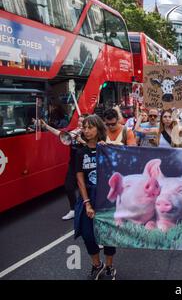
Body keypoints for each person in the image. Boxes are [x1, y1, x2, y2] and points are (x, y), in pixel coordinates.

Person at [75, 115, 116, 280]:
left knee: (108, 234)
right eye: (84, 127)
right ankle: (96, 265)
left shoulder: (107, 149)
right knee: (87, 235)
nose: (86, 130)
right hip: (88, 197)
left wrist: (107, 150)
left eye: (90, 127)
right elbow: (80, 179)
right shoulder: (80, 152)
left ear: (98, 129)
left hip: (106, 198)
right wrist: (87, 203)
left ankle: (109, 266)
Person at [40, 114, 88, 220]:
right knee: (68, 186)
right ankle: (73, 209)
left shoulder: (89, 133)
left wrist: (82, 141)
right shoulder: (74, 131)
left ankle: (86, 207)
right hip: (74, 164)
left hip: (86, 164)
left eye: (82, 122)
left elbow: (94, 147)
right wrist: (46, 126)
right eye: (79, 121)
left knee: (86, 187)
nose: (80, 123)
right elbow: (60, 134)